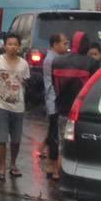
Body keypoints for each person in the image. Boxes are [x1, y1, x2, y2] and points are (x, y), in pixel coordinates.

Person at [0, 33, 29, 181]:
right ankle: (1, 168)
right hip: (0, 105)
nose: (12, 47)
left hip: (18, 106)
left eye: (15, 44)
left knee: (16, 138)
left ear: (19, 47)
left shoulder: (24, 64)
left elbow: (25, 82)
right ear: (4, 46)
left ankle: (13, 164)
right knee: (1, 137)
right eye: (9, 44)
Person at [42, 33, 70, 179]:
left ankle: (50, 165)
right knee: (54, 136)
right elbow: (50, 86)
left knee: (53, 134)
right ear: (55, 44)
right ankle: (53, 167)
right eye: (64, 43)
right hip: (54, 102)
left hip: (55, 102)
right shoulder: (51, 60)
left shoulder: (57, 59)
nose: (67, 46)